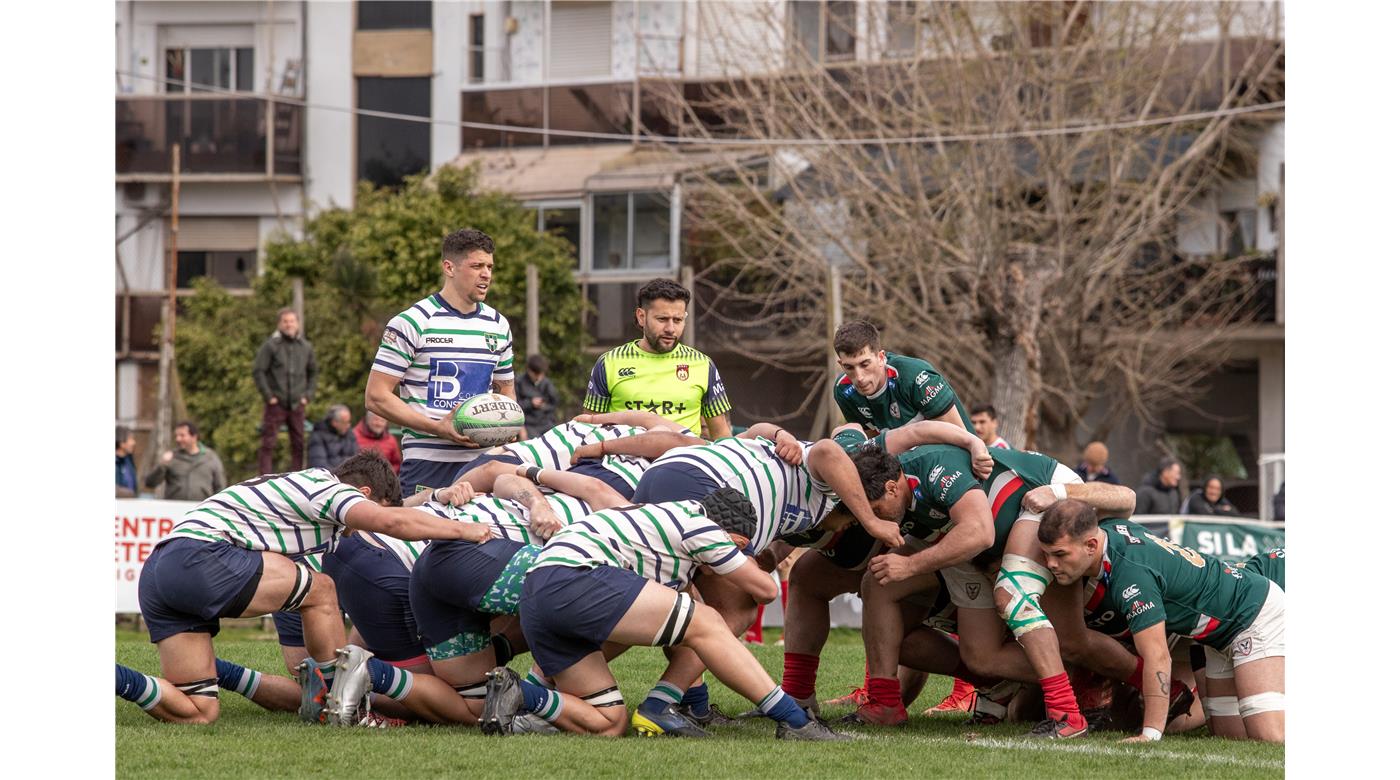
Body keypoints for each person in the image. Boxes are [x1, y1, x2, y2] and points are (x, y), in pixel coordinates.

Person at [118, 450, 489, 726]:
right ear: (361, 491)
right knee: (322, 590)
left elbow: (305, 674)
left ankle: (117, 677)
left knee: (198, 712)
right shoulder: (324, 487)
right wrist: (463, 530)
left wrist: (436, 497)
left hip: (161, 571)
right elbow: (390, 519)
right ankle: (348, 711)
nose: (362, 533)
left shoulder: (299, 528)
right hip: (200, 556)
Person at [485, 488, 847, 740]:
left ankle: (523, 698)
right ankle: (795, 721)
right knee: (707, 622)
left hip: (539, 592)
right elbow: (764, 589)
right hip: (577, 576)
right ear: (727, 531)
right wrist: (740, 558)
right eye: (735, 546)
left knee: (609, 722)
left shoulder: (660, 523)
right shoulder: (699, 523)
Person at [1039, 501, 1283, 743]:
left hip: (1253, 615)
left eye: (1060, 554)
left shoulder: (1131, 574)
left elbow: (1158, 656)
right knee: (1230, 736)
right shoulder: (1111, 529)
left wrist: (1151, 733)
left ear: (1091, 545)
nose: (1051, 564)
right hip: (1218, 635)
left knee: (1270, 736)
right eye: (1046, 554)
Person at [366, 228, 517, 498]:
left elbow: (507, 391)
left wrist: (506, 427)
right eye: (477, 266)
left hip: (483, 462)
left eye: (490, 266)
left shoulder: (498, 325)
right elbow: (376, 397)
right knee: (423, 539)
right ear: (449, 267)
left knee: (480, 538)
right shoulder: (412, 322)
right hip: (428, 462)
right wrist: (438, 428)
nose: (487, 274)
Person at [583, 279, 732, 439]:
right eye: (662, 319)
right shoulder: (609, 363)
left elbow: (722, 436)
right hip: (624, 459)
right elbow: (587, 430)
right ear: (641, 317)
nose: (670, 329)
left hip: (684, 460)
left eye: (677, 320)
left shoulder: (703, 365)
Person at [832, 320, 972, 434]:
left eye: (865, 364)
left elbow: (960, 438)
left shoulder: (915, 376)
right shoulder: (844, 391)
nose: (859, 377)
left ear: (881, 357)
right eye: (849, 367)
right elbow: (871, 446)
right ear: (841, 364)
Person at [254, 308, 318, 475]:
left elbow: (313, 372)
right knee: (268, 443)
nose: (289, 324)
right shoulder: (270, 346)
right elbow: (259, 371)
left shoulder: (306, 347)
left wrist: (307, 395)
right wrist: (269, 396)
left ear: (297, 324)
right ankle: (265, 477)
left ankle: (296, 479)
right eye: (285, 321)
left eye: (292, 321)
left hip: (298, 403)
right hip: (276, 403)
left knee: (298, 444)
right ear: (279, 324)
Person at [144, 421, 226, 501]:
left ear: (194, 437)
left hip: (201, 510)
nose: (178, 439)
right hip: (174, 510)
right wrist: (162, 465)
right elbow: (150, 483)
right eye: (176, 436)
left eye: (182, 435)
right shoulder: (171, 457)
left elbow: (220, 487)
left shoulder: (211, 457)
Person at [518, 354, 560, 439]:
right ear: (529, 370)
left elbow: (554, 403)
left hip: (546, 423)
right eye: (536, 374)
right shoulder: (519, 382)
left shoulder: (546, 383)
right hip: (528, 425)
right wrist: (530, 403)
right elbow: (516, 405)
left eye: (541, 374)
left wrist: (544, 406)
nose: (539, 377)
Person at [308, 405, 359, 470]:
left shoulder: (349, 434)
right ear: (334, 423)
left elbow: (356, 458)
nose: (348, 425)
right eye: (345, 423)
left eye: (349, 422)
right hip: (329, 477)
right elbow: (319, 465)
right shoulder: (318, 436)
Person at [354, 410, 402, 474]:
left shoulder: (391, 440)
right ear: (368, 420)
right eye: (376, 420)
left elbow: (397, 464)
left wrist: (387, 473)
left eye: (382, 421)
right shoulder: (354, 436)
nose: (379, 423)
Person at [117, 425, 139, 498]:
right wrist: (130, 494)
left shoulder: (129, 460)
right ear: (122, 443)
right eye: (130, 439)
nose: (134, 443)